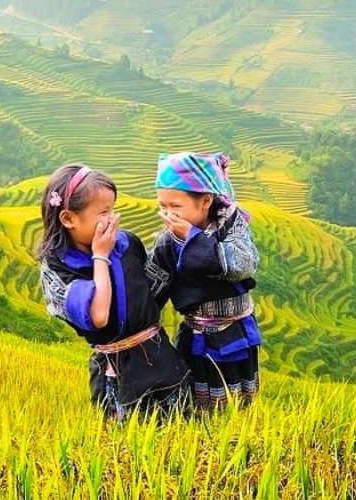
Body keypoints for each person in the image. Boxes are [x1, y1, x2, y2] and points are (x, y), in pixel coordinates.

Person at [38, 163, 190, 421]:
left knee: (182, 440)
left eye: (113, 209)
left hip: (163, 362)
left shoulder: (127, 243)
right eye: (104, 212)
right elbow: (98, 315)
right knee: (124, 451)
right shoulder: (57, 268)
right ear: (68, 218)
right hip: (117, 376)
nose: (114, 218)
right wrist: (100, 256)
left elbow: (152, 291)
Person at [148, 152, 262, 412]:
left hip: (239, 329)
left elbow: (245, 264)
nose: (167, 214)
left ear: (206, 201)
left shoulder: (232, 225)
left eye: (175, 206)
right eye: (162, 206)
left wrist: (193, 238)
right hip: (200, 337)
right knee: (201, 401)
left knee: (242, 398)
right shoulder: (167, 242)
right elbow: (152, 289)